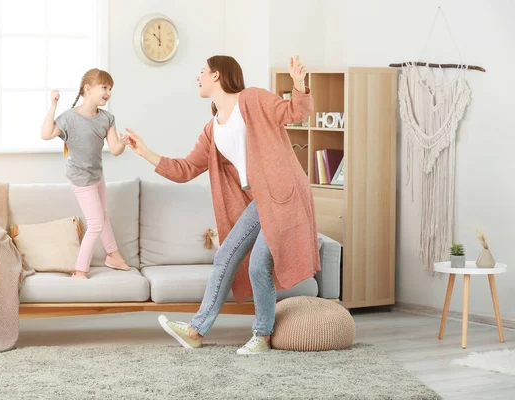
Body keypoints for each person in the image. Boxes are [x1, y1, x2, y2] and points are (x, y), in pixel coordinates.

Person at [126, 55, 320, 355]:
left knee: (258, 265)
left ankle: (262, 336)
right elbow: (186, 169)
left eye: (201, 71)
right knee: (225, 256)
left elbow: (293, 112)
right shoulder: (211, 129)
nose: (198, 77)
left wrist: (298, 85)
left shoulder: (252, 100)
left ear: (217, 75)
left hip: (284, 195)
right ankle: (195, 331)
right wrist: (145, 153)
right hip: (260, 201)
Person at [40, 68, 131, 279]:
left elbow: (115, 149)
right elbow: (46, 134)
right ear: (87, 89)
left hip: (96, 175)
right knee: (96, 223)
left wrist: (124, 143)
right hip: (80, 178)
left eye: (110, 88)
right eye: (104, 87)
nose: (108, 92)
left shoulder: (107, 118)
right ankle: (80, 270)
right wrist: (53, 105)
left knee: (103, 216)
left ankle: (113, 256)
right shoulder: (69, 118)